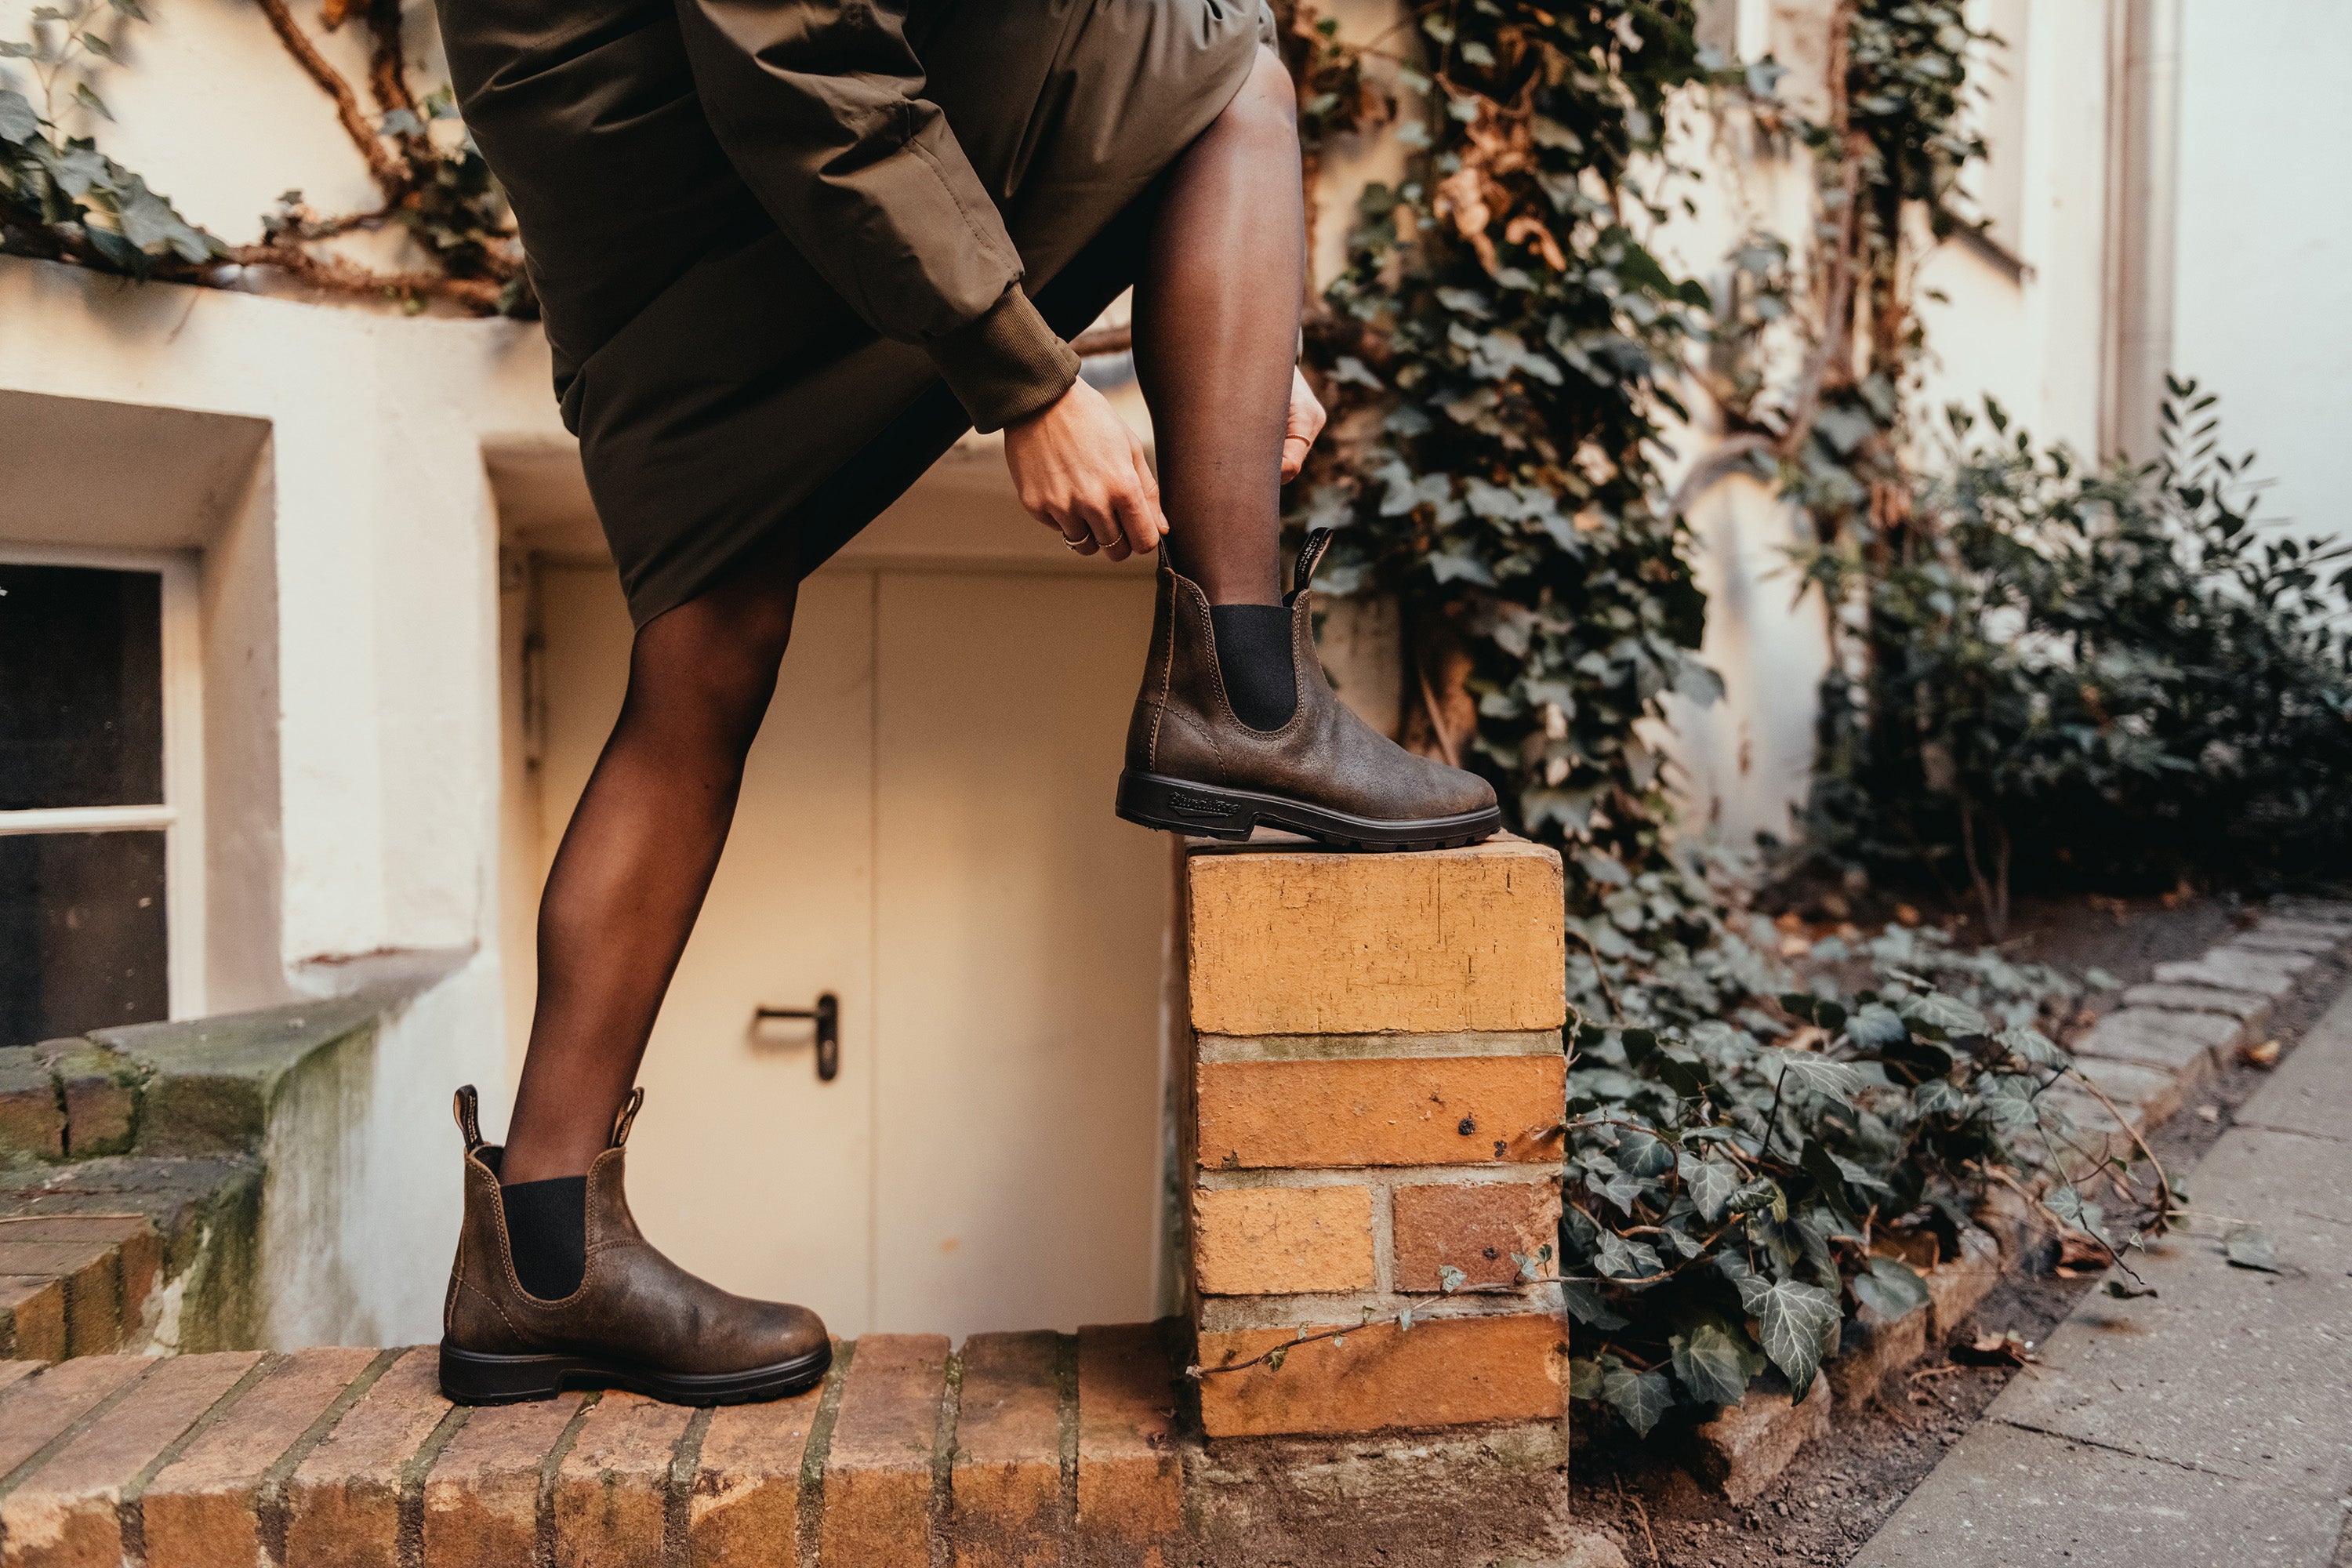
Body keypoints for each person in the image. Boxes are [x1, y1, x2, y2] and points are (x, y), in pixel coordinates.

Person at [430, 0, 1500, 1406]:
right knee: (1227, 73)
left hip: (637, 192)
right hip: (703, 131)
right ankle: (1246, 692)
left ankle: (545, 1262)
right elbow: (798, 52)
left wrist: (1227, 297)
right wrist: (1031, 381)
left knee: (708, 650)